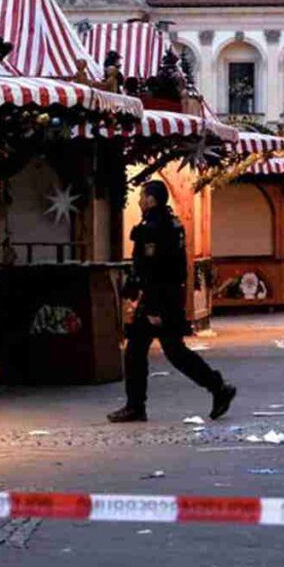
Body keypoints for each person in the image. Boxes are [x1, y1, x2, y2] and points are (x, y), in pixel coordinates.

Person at [107, 181, 237, 423]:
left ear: (151, 199)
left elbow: (156, 269)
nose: (139, 200)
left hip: (159, 300)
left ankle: (136, 406)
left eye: (142, 196)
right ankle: (217, 387)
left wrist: (153, 306)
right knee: (171, 351)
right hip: (168, 298)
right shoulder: (170, 223)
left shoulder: (155, 228)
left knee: (140, 351)